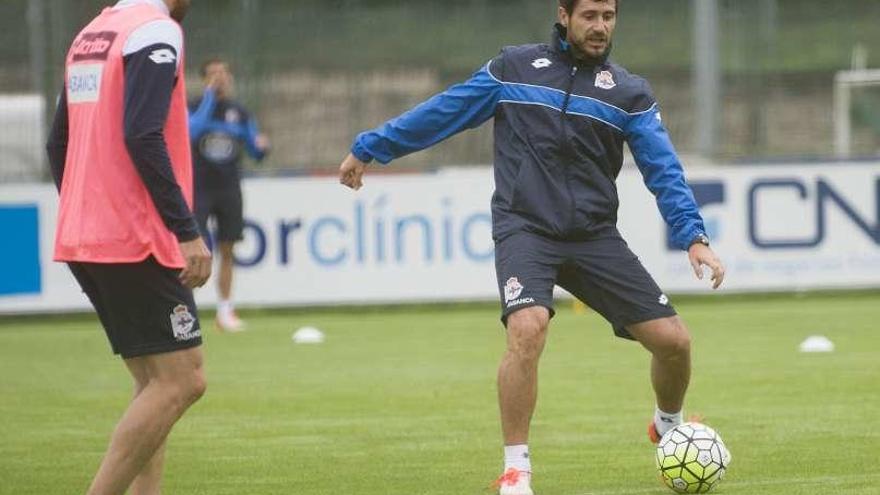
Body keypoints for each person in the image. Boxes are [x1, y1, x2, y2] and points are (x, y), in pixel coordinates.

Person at [337, 0, 726, 493]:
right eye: (590, 15)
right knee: (527, 327)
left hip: (592, 237)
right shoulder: (513, 69)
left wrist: (693, 236)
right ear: (563, 14)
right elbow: (445, 112)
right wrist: (372, 146)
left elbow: (663, 169)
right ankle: (516, 468)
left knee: (675, 344)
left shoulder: (628, 93)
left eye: (609, 16)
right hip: (526, 229)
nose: (601, 26)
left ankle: (667, 425)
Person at [46, 1, 210, 493]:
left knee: (154, 384)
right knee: (183, 380)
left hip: (87, 231)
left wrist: (86, 210)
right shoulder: (155, 30)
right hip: (133, 235)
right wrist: (186, 229)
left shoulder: (93, 33)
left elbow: (59, 144)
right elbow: (142, 134)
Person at [189, 58, 269, 332]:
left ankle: (225, 312)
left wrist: (261, 146)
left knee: (227, 249)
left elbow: (255, 150)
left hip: (228, 188)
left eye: (224, 73)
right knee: (193, 253)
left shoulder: (240, 112)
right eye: (213, 74)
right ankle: (186, 313)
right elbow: (192, 132)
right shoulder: (193, 107)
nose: (220, 78)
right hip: (199, 189)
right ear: (204, 80)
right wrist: (210, 97)